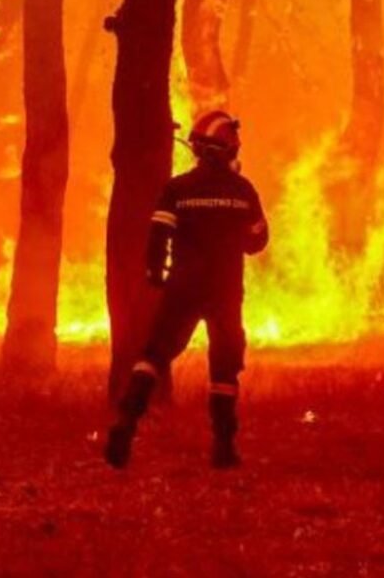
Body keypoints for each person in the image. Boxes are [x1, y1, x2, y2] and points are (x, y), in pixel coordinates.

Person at [105, 110, 268, 470]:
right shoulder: (243, 191)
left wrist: (155, 272)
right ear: (226, 149)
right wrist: (233, 234)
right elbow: (259, 241)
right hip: (225, 290)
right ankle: (224, 447)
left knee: (155, 354)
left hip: (183, 284)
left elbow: (158, 234)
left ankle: (125, 422)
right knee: (224, 367)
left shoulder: (177, 189)